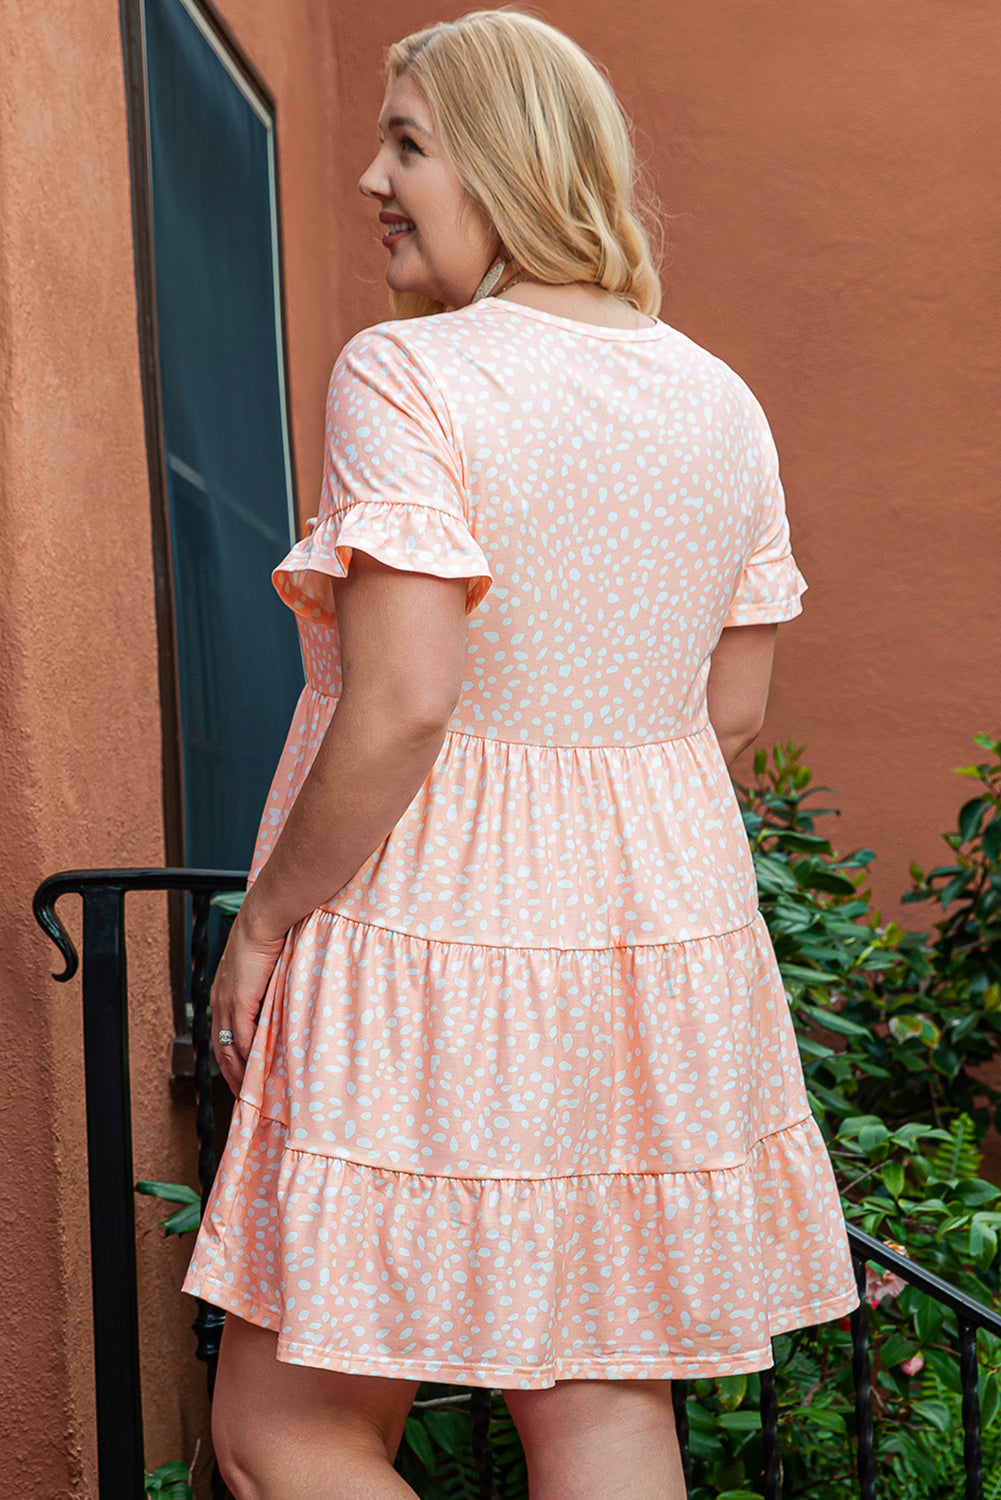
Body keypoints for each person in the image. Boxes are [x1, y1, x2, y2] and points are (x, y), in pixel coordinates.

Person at [182, 12, 858, 1497]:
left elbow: (408, 694)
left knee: (285, 1428)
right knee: (600, 1414)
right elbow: (729, 716)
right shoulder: (718, 403)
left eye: (409, 141)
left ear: (505, 161)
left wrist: (269, 922)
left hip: (428, 924)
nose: (370, 172)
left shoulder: (411, 374)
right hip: (653, 941)